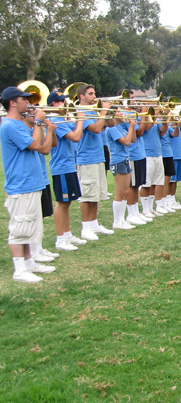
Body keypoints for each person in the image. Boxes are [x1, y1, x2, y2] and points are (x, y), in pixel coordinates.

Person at [1, 86, 56, 282]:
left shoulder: (20, 125)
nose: (28, 102)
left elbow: (43, 147)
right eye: (23, 99)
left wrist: (43, 127)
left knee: (30, 227)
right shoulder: (9, 125)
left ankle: (29, 262)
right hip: (20, 184)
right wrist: (39, 122)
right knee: (19, 229)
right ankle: (19, 270)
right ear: (12, 103)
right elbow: (35, 145)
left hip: (31, 183)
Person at [47, 91, 87, 251]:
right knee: (61, 203)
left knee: (68, 202)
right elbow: (76, 136)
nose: (64, 102)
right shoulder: (55, 120)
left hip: (69, 165)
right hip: (61, 167)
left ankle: (67, 233)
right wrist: (80, 119)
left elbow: (78, 133)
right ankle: (60, 239)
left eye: (64, 100)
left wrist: (76, 119)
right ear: (53, 104)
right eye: (60, 101)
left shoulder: (64, 119)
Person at [74, 84, 113, 241]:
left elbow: (111, 124)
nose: (94, 96)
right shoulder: (80, 112)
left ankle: (94, 223)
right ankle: (85, 227)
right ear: (82, 97)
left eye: (94, 93)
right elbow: (96, 128)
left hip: (98, 157)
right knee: (87, 194)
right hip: (86, 158)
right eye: (90, 94)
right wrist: (103, 111)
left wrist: (110, 112)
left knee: (96, 194)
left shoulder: (94, 110)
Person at [105, 110, 138, 230]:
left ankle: (122, 219)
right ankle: (117, 221)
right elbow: (126, 142)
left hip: (125, 159)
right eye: (118, 111)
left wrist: (131, 127)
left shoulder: (119, 127)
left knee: (126, 191)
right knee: (120, 192)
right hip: (118, 161)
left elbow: (133, 139)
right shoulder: (112, 128)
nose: (122, 113)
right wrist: (131, 128)